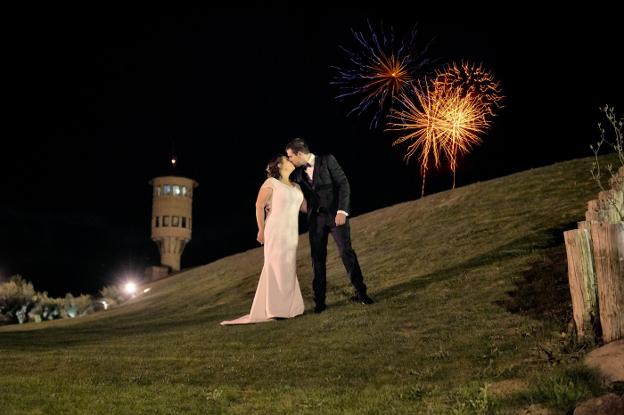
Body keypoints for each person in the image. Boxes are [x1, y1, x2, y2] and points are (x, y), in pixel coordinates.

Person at [286, 138, 374, 314]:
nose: (289, 160)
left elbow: (343, 184)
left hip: (335, 216)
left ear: (299, 154)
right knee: (317, 259)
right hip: (315, 221)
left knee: (346, 253)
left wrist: (342, 211)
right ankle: (320, 303)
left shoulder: (327, 160)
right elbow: (286, 189)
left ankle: (361, 293)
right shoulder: (296, 174)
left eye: (290, 156)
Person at [220, 155, 306, 325]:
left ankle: (291, 308)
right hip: (275, 230)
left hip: (291, 232)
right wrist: (261, 229)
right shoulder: (271, 184)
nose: (291, 161)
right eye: (287, 160)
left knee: (288, 268)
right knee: (276, 266)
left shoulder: (296, 186)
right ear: (280, 165)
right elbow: (259, 205)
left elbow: (305, 208)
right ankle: (276, 310)